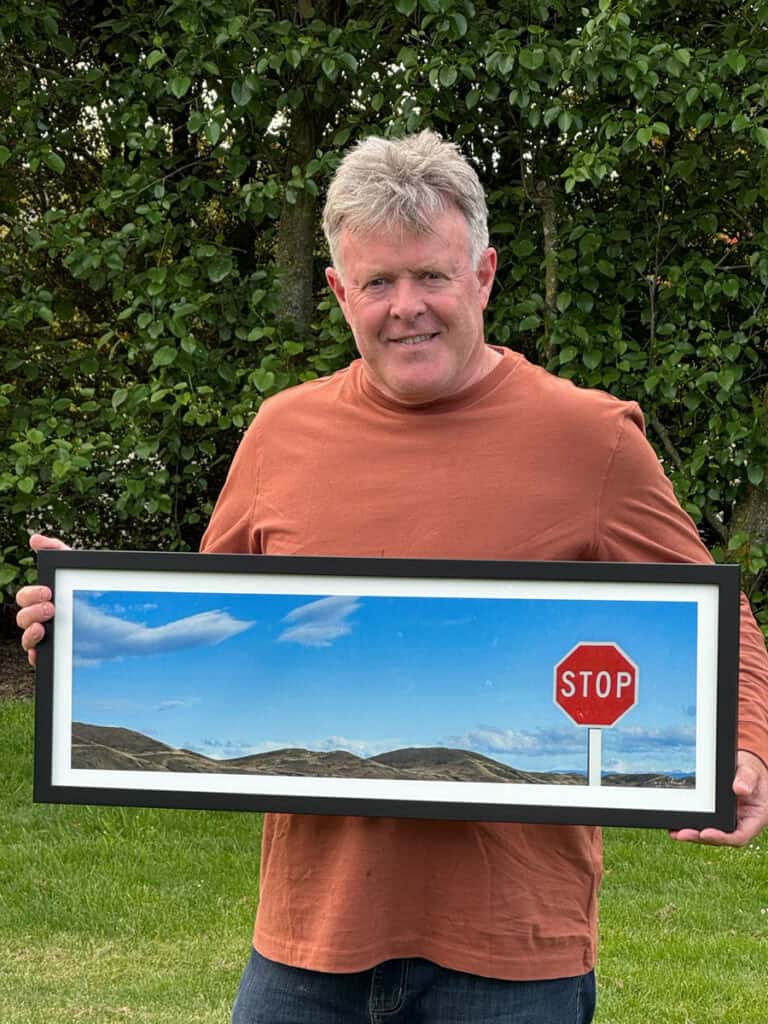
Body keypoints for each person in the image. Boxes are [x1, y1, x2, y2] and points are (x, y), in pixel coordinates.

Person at [17, 131, 768, 1024]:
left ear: (483, 276)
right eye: (378, 282)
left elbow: (722, 622)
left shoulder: (591, 438)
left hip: (513, 950)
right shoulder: (281, 434)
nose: (406, 306)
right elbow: (207, 624)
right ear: (341, 293)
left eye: (432, 276)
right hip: (307, 940)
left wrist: (746, 744)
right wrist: (84, 640)